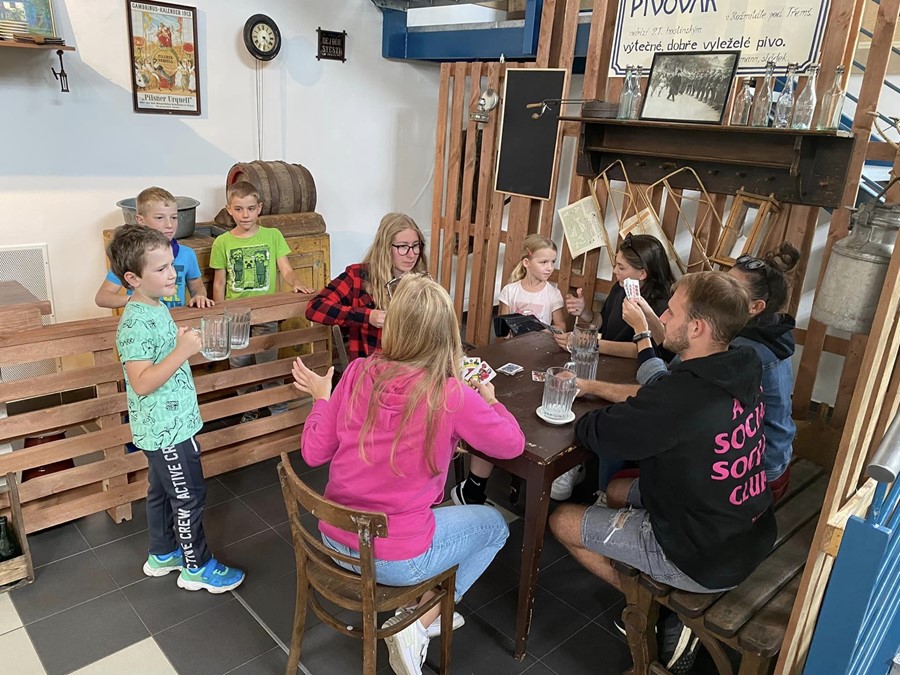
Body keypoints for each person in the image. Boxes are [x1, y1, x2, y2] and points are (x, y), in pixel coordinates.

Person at [292, 274, 524, 675]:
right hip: (396, 560)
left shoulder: (357, 371)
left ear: (394, 325)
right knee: (494, 527)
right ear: (446, 333)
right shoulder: (451, 394)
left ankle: (418, 617)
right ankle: (421, 619)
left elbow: (313, 453)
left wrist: (321, 400)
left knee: (439, 516)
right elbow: (512, 445)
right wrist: (491, 401)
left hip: (333, 538)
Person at [549, 271, 776, 672]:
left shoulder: (679, 399)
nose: (663, 318)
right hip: (747, 530)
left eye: (671, 312)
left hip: (702, 558)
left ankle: (659, 608)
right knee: (616, 491)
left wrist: (578, 408)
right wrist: (601, 382)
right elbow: (661, 386)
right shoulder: (741, 365)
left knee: (562, 520)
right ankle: (647, 575)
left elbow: (600, 434)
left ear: (697, 327)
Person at [595, 242, 800, 503]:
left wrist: (639, 334)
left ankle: (607, 501)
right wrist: (647, 314)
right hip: (766, 454)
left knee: (627, 431)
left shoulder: (744, 351)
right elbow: (675, 348)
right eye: (723, 281)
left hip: (753, 471)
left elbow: (662, 388)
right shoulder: (769, 331)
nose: (720, 290)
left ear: (756, 307)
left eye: (731, 288)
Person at [108, 224, 244, 594]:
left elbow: (160, 358)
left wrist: (180, 343)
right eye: (161, 268)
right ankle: (196, 566)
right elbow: (141, 382)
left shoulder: (156, 306)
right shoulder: (134, 322)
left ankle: (163, 553)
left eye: (172, 264)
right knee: (189, 496)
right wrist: (182, 351)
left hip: (173, 423)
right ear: (133, 278)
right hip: (165, 430)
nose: (173, 273)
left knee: (161, 491)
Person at [549, 233, 677, 501]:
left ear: (642, 273)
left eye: (621, 267)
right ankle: (571, 465)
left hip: (634, 376)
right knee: (568, 391)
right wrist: (585, 313)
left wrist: (592, 343)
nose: (615, 272)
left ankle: (599, 487)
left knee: (606, 416)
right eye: (616, 265)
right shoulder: (620, 289)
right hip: (603, 364)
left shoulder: (662, 303)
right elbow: (601, 322)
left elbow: (646, 348)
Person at [210, 181, 314, 423]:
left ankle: (277, 408)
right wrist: (220, 316)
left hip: (266, 313)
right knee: (240, 364)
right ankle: (250, 408)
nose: (245, 215)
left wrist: (296, 282)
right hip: (235, 315)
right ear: (229, 209)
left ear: (259, 208)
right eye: (238, 209)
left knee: (268, 361)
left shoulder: (272, 235)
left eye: (250, 208)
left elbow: (286, 270)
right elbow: (219, 283)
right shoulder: (222, 242)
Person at [305, 213, 428, 361]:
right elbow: (315, 307)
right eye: (403, 247)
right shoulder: (357, 276)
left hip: (410, 365)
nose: (411, 255)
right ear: (385, 247)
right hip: (370, 369)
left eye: (415, 246)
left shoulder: (422, 282)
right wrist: (367, 316)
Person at [95, 187, 213, 310]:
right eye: (159, 218)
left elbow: (197, 287)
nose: (169, 225)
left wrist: (199, 296)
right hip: (143, 319)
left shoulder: (187, 254)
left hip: (174, 319)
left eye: (174, 217)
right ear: (141, 220)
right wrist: (134, 300)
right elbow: (102, 297)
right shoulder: (132, 255)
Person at [497, 234, 567, 332]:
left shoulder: (553, 294)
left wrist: (543, 331)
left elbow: (561, 326)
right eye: (544, 262)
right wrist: (506, 333)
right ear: (526, 263)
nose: (550, 268)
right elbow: (503, 327)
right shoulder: (509, 291)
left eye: (553, 262)